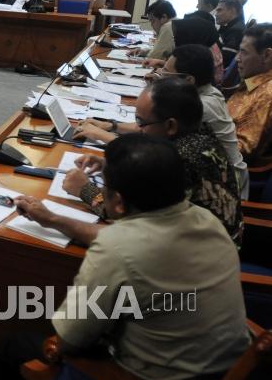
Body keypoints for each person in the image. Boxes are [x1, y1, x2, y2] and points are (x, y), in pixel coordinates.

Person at [0, 134, 249, 380]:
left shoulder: (119, 247)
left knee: (20, 344)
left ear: (117, 202)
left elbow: (69, 341)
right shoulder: (206, 220)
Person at [57, 79, 243, 246]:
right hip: (213, 242)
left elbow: (123, 216)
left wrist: (83, 189)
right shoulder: (200, 132)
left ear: (170, 126)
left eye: (141, 121)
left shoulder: (177, 162)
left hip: (195, 264)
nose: (138, 128)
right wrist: (113, 167)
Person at [78, 45, 248, 199]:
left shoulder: (199, 111)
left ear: (188, 80)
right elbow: (149, 132)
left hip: (222, 195)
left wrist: (84, 189)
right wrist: (111, 128)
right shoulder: (198, 105)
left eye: (166, 73)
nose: (160, 76)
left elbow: (126, 208)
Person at [228, 23, 272, 165]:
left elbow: (243, 149)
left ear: (266, 55)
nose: (237, 58)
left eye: (244, 52)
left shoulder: (267, 95)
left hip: (235, 171)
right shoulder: (253, 82)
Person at [215, 0, 245, 67]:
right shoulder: (232, 28)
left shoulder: (236, 31)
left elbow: (225, 60)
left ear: (232, 10)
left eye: (219, 10)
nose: (216, 14)